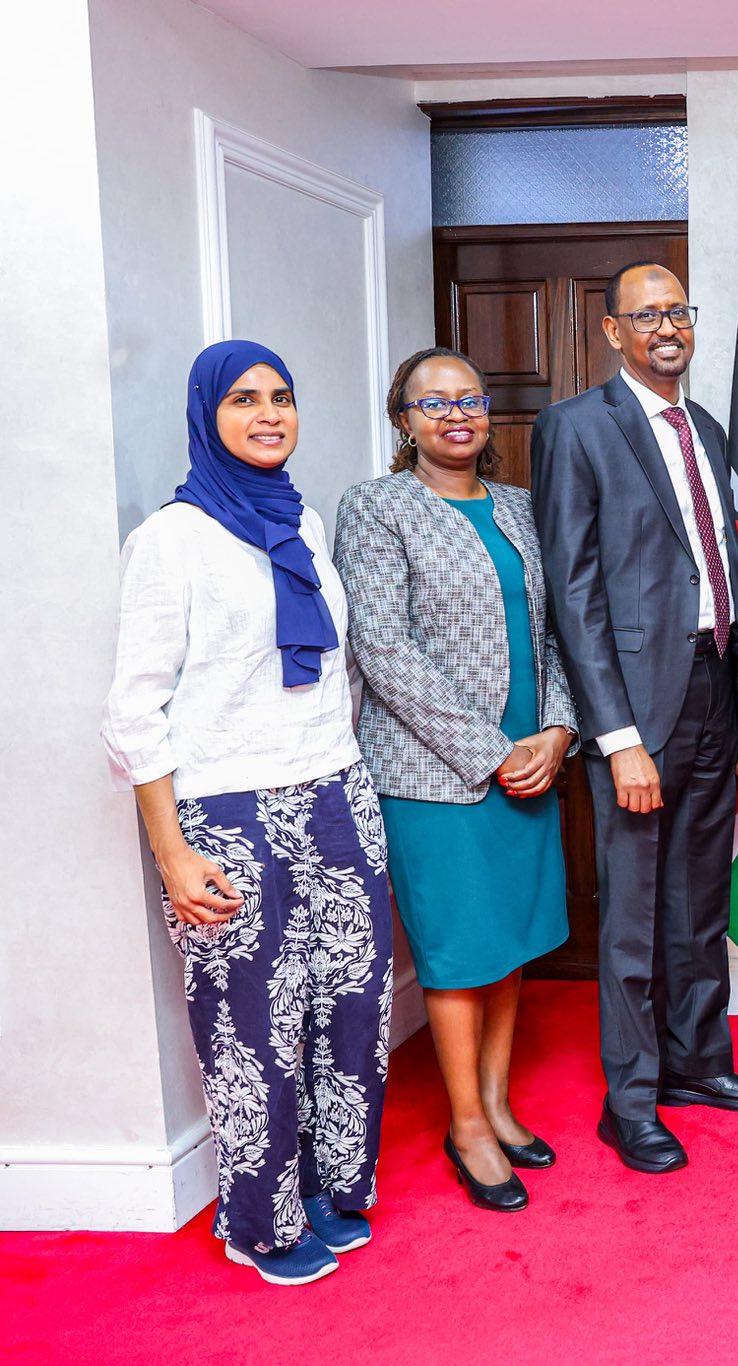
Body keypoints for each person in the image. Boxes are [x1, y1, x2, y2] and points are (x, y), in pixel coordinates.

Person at [101, 340, 393, 1286]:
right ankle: (257, 1222)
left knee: (350, 1005)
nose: (269, 414)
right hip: (225, 806)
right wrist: (173, 853)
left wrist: (345, 779)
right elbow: (134, 712)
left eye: (282, 396)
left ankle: (331, 1188)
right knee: (250, 1024)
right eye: (243, 399)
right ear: (206, 414)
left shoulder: (302, 519)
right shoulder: (171, 540)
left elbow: (334, 673)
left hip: (335, 788)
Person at [531, 261, 738, 1176]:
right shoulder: (574, 427)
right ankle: (630, 1102)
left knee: (698, 896)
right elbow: (573, 589)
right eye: (646, 315)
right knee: (633, 913)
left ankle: (696, 1063)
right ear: (613, 331)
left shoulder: (703, 427)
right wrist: (617, 736)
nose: (667, 327)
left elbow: (719, 565)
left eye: (678, 311)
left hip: (716, 685)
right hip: (637, 709)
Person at [334, 346, 579, 1213]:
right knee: (456, 950)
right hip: (435, 775)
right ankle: (467, 1125)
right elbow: (382, 648)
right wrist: (489, 750)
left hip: (531, 762)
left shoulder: (518, 507)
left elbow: (551, 633)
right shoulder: (375, 507)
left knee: (508, 941)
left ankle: (500, 1106)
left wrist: (557, 730)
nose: (456, 414)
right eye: (433, 402)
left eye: (469, 398)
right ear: (403, 418)